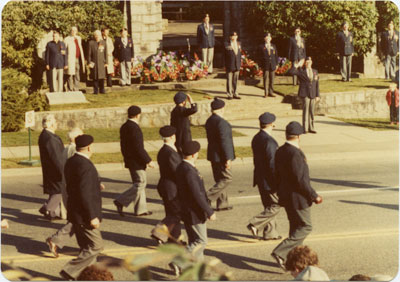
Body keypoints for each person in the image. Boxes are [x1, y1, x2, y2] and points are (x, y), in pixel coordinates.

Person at [271, 121, 323, 270]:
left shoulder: (281, 150)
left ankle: (292, 261)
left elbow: (278, 174)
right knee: (306, 227)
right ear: (299, 136)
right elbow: (300, 180)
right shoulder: (295, 153)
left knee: (295, 229)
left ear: (286, 134)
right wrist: (314, 195)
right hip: (298, 198)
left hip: (287, 196)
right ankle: (280, 252)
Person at [60, 135, 104, 280]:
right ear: (90, 147)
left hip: (75, 211)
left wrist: (96, 185)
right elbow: (85, 193)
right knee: (96, 246)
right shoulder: (86, 165)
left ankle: (88, 276)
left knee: (86, 248)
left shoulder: (71, 161)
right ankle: (70, 270)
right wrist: (92, 216)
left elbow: (76, 185)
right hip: (85, 215)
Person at [176, 141, 216, 262]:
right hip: (194, 212)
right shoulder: (189, 171)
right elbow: (197, 194)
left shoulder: (181, 167)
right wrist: (209, 211)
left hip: (186, 210)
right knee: (201, 241)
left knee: (194, 240)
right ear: (194, 155)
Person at [114, 106, 155, 217]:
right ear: (138, 115)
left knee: (138, 183)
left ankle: (140, 209)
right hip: (136, 161)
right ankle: (121, 200)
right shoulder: (134, 128)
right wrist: (148, 160)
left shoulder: (125, 126)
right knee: (140, 183)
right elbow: (138, 148)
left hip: (130, 159)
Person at [246, 113, 281, 241]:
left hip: (260, 177)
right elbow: (272, 164)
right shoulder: (270, 142)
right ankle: (254, 223)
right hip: (269, 179)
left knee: (268, 206)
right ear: (272, 124)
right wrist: (277, 181)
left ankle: (271, 233)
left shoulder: (256, 138)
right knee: (276, 205)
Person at [150, 126, 183, 244]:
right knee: (176, 213)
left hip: (165, 186)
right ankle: (158, 232)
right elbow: (177, 172)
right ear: (173, 136)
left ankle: (174, 240)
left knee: (172, 213)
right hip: (171, 188)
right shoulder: (170, 153)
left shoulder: (163, 150)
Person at [205, 98, 235, 211]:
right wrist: (228, 158)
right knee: (227, 178)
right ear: (222, 109)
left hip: (213, 155)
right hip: (221, 155)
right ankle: (207, 196)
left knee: (220, 179)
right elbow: (225, 141)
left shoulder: (210, 120)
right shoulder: (222, 123)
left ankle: (222, 203)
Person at [38, 114, 67, 220]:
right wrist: (63, 171)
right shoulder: (50, 138)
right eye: (55, 121)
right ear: (50, 124)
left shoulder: (45, 135)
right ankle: (48, 208)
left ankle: (50, 210)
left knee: (54, 191)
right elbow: (56, 158)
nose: (56, 123)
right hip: (54, 170)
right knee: (59, 190)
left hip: (50, 169)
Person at [289, 57, 320, 134]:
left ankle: (311, 127)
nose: (308, 63)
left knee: (312, 111)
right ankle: (305, 128)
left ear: (311, 62)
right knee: (306, 111)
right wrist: (296, 66)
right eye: (306, 62)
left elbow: (317, 84)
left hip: (313, 93)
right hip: (305, 93)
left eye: (309, 61)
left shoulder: (315, 71)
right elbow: (291, 72)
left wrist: (317, 95)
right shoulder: (301, 71)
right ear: (304, 63)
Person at [170, 91, 198, 156]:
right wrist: (191, 101)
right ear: (183, 102)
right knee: (186, 154)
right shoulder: (183, 110)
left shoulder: (174, 111)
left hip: (177, 136)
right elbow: (194, 109)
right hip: (185, 137)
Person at [64, 26, 85, 91]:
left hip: (77, 59)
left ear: (77, 31)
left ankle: (76, 88)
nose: (73, 32)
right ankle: (70, 89)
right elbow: (64, 50)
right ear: (70, 31)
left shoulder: (78, 38)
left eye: (75, 30)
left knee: (77, 74)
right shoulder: (67, 39)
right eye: (72, 30)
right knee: (70, 74)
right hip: (70, 59)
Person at [258, 32, 278, 98]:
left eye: (269, 37)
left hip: (272, 64)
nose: (267, 38)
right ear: (264, 38)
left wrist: (277, 64)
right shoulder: (261, 46)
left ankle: (271, 92)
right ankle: (266, 93)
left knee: (272, 79)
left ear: (271, 38)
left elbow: (276, 56)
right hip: (265, 65)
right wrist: (260, 65)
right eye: (266, 37)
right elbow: (259, 57)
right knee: (266, 79)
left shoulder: (274, 46)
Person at [88, 30, 108, 94]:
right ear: (94, 36)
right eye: (96, 35)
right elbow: (89, 54)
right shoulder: (91, 43)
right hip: (94, 63)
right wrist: (89, 63)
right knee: (95, 77)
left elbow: (105, 53)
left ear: (100, 36)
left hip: (101, 62)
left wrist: (106, 62)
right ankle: (95, 91)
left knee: (102, 77)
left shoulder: (103, 43)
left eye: (98, 35)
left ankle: (102, 90)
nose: (97, 36)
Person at [225, 31, 242, 100]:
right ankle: (229, 94)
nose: (234, 37)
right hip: (229, 64)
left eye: (235, 36)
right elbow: (224, 55)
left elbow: (240, 55)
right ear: (230, 37)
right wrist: (224, 65)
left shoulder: (239, 44)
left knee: (236, 80)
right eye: (232, 36)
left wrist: (240, 64)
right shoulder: (226, 44)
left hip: (237, 64)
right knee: (229, 80)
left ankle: (235, 93)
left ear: (237, 37)